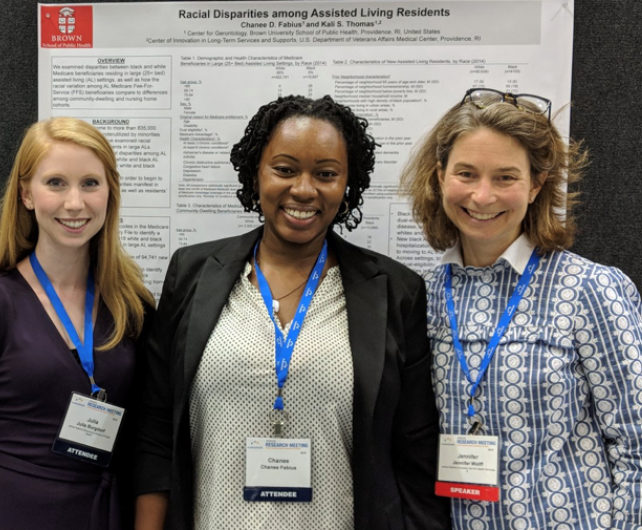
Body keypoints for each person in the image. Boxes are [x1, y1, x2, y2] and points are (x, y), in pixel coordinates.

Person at [134, 95, 450, 530]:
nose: (304, 189)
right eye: (284, 169)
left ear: (347, 183)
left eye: (326, 174)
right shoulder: (192, 274)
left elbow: (414, 454)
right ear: (256, 173)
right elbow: (155, 428)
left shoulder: (396, 292)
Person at [401, 88, 642, 529]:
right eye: (466, 173)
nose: (482, 196)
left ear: (535, 185)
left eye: (505, 177)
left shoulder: (589, 290)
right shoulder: (425, 296)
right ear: (440, 177)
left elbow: (639, 447)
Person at [0, 117, 154, 530]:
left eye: (90, 183)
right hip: (6, 512)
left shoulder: (131, 307)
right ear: (26, 194)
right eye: (55, 183)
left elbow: (147, 440)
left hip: (102, 513)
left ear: (110, 193)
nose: (74, 203)